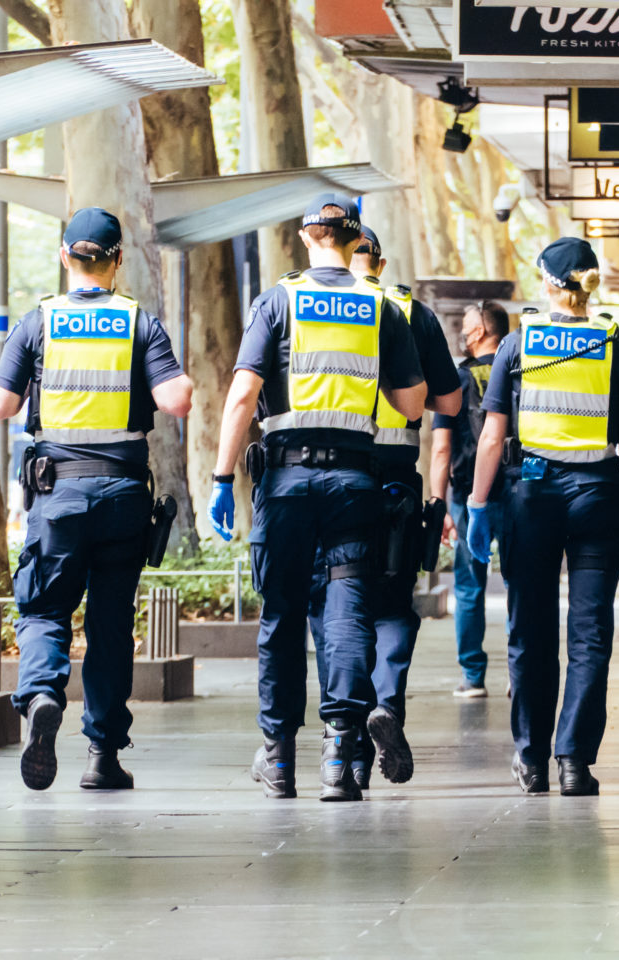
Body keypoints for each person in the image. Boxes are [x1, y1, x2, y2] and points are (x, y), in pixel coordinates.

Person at [208, 194, 426, 802]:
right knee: (348, 610)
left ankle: (279, 759)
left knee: (281, 614)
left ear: (305, 237)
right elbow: (412, 405)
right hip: (356, 480)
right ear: (357, 243)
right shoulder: (381, 306)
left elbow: (243, 394)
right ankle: (339, 752)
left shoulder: (278, 300)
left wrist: (223, 479)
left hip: (285, 480)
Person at [0, 207, 194, 792]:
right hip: (124, 495)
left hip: (57, 495)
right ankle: (103, 755)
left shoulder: (38, 323)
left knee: (45, 608)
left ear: (63, 258)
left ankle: (44, 695)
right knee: (110, 623)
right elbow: (177, 399)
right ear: (118, 260)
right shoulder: (138, 323)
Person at [467, 237, 619, 796]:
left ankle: (533, 759)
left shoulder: (518, 345)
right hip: (599, 495)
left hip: (532, 497)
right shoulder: (616, 347)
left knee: (531, 631)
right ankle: (574, 761)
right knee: (591, 635)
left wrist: (477, 505)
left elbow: (494, 438)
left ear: (547, 283)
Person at [307, 225, 461, 788]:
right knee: (393, 604)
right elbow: (449, 402)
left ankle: (343, 739)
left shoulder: (304, 303)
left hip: (324, 475)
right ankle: (386, 707)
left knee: (332, 606)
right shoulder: (409, 313)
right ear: (379, 258)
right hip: (396, 478)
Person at [431, 300, 510, 698]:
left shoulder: (454, 380)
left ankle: (473, 677)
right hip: (515, 495)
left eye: (465, 325)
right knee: (521, 586)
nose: (462, 332)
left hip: (465, 498)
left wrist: (439, 501)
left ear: (479, 332)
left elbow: (441, 449)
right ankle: (520, 670)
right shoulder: (519, 373)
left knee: (469, 588)